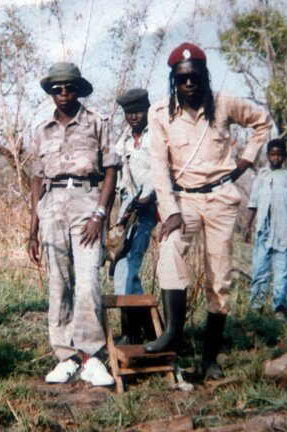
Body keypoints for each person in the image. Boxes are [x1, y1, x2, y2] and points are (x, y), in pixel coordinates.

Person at [147, 42, 273, 380]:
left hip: (219, 198)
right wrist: (169, 210)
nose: (189, 84)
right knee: (170, 248)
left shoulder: (224, 103)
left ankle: (210, 359)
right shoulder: (160, 113)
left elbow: (262, 122)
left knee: (219, 278)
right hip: (183, 200)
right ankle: (174, 331)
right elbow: (158, 167)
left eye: (195, 77)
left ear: (204, 76)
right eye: (182, 78)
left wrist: (245, 160)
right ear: (174, 79)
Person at [28, 62, 120, 386]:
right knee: (58, 284)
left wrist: (100, 214)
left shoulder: (97, 122)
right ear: (51, 93)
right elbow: (38, 179)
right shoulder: (41, 131)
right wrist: (32, 230)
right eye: (57, 89)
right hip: (51, 206)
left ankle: (91, 356)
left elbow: (111, 170)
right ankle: (66, 357)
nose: (64, 94)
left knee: (88, 282)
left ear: (79, 90)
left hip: (86, 201)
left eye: (69, 88)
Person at [112, 88, 158, 345]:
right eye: (129, 113)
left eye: (138, 111)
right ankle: (150, 329)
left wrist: (149, 198)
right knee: (126, 267)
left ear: (147, 108)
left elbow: (165, 171)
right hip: (127, 208)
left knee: (126, 266)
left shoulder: (157, 136)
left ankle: (129, 332)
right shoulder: (124, 141)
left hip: (148, 207)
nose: (134, 117)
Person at [243, 139, 287, 321]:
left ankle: (279, 308)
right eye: (272, 154)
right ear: (267, 155)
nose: (275, 158)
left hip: (283, 232)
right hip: (263, 231)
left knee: (281, 271)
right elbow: (253, 204)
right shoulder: (261, 176)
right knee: (259, 269)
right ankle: (257, 306)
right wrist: (247, 226)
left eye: (279, 154)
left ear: (284, 156)